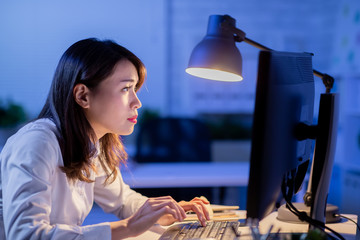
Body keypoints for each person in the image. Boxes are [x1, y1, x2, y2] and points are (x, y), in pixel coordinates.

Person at [0, 38, 210, 239]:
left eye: (134, 89)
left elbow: (122, 201)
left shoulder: (91, 143)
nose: (137, 102)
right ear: (83, 95)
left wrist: (163, 211)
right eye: (126, 88)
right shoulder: (37, 143)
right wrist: (127, 227)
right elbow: (26, 236)